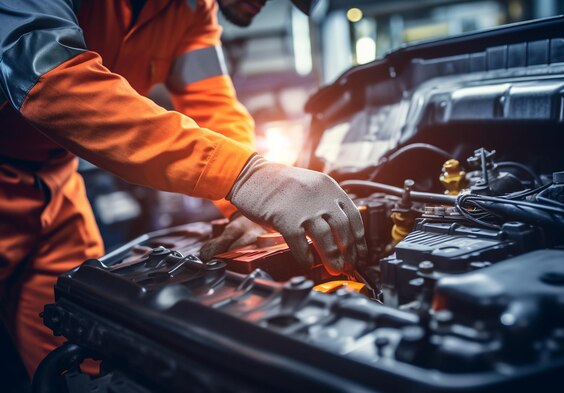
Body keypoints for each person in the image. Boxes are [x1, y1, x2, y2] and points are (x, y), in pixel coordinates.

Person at [0, 0, 366, 377]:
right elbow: (51, 82)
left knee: (83, 353)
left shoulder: (192, 9)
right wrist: (244, 175)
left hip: (56, 189)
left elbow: (214, 106)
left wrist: (245, 205)